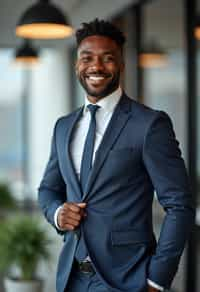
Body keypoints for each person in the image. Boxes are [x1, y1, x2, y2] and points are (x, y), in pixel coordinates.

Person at [38, 18, 194, 292]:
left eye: (107, 58)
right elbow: (48, 189)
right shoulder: (63, 127)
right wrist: (58, 213)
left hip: (127, 279)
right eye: (87, 58)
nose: (96, 66)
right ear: (77, 65)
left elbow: (179, 206)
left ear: (121, 64)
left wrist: (157, 279)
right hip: (70, 278)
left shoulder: (149, 124)